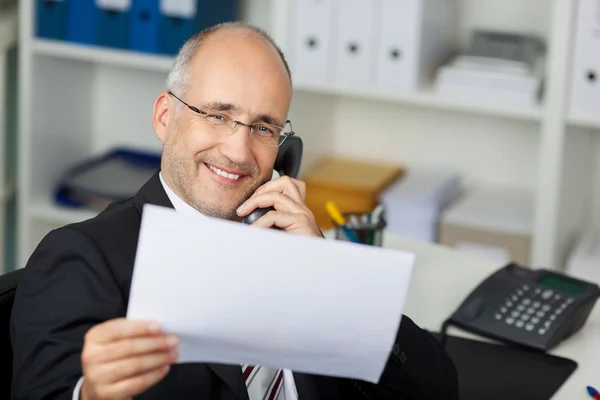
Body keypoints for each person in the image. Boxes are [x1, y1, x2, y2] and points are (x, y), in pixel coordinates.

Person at [10, 22, 459, 400]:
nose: (238, 150)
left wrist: (328, 269)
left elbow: (438, 390)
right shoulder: (81, 257)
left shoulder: (301, 258)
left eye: (263, 127)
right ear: (166, 117)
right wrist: (91, 394)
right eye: (218, 115)